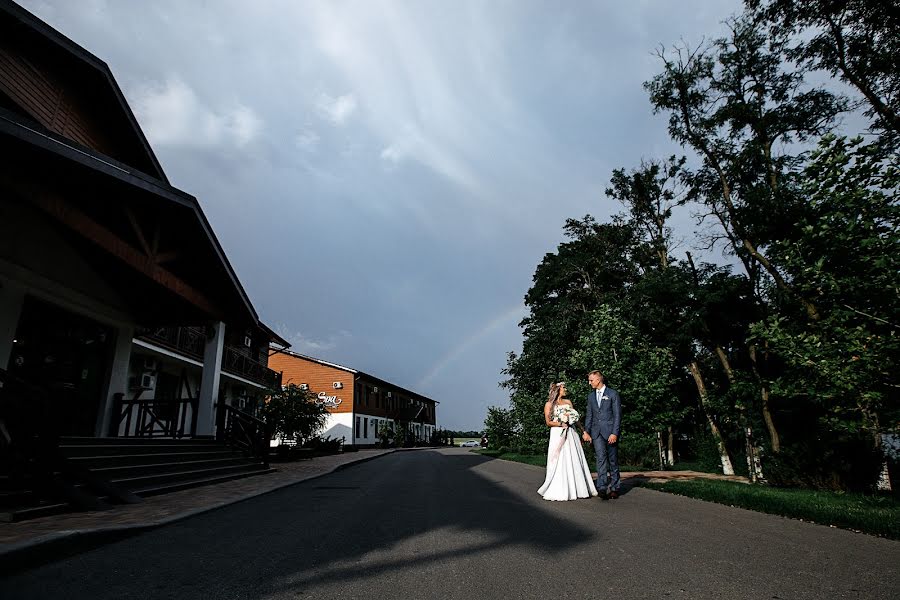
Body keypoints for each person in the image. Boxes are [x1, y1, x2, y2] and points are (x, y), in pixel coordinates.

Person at [537, 382, 598, 501]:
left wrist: (583, 431)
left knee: (573, 457)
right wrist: (561, 423)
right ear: (558, 389)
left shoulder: (568, 402)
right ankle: (560, 487)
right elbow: (548, 422)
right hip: (557, 433)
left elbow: (576, 419)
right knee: (559, 458)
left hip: (571, 432)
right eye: (564, 388)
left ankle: (577, 487)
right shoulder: (549, 404)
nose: (566, 389)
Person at [582, 370, 622, 499]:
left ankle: (615, 487)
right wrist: (586, 431)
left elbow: (617, 415)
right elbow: (589, 415)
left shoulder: (612, 394)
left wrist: (614, 433)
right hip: (596, 433)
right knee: (600, 458)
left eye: (591, 380)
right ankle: (602, 487)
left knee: (613, 460)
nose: (589, 383)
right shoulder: (591, 396)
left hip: (610, 432)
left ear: (598, 380)